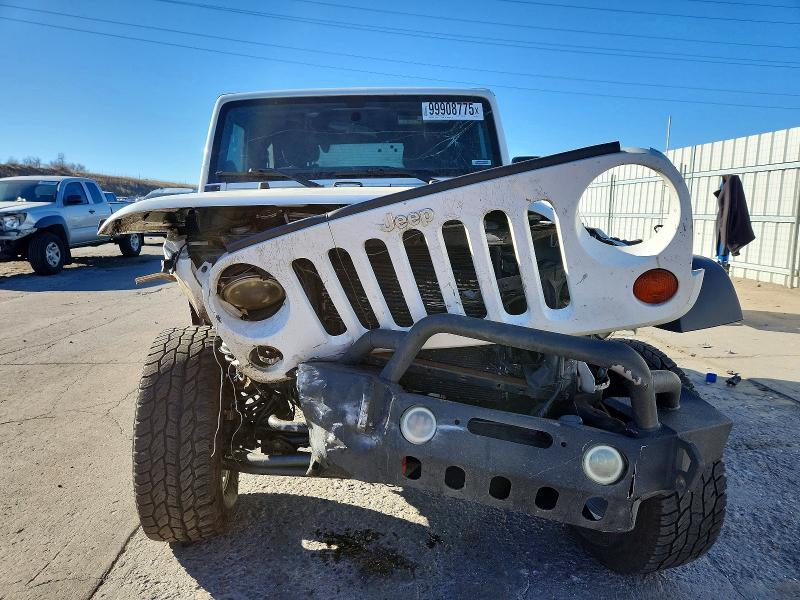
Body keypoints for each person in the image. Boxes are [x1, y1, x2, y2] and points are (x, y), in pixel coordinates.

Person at [713, 174, 755, 273]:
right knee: (723, 241)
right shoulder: (729, 199)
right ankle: (722, 263)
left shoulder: (730, 199)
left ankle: (723, 264)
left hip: (726, 226)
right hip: (723, 224)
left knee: (724, 241)